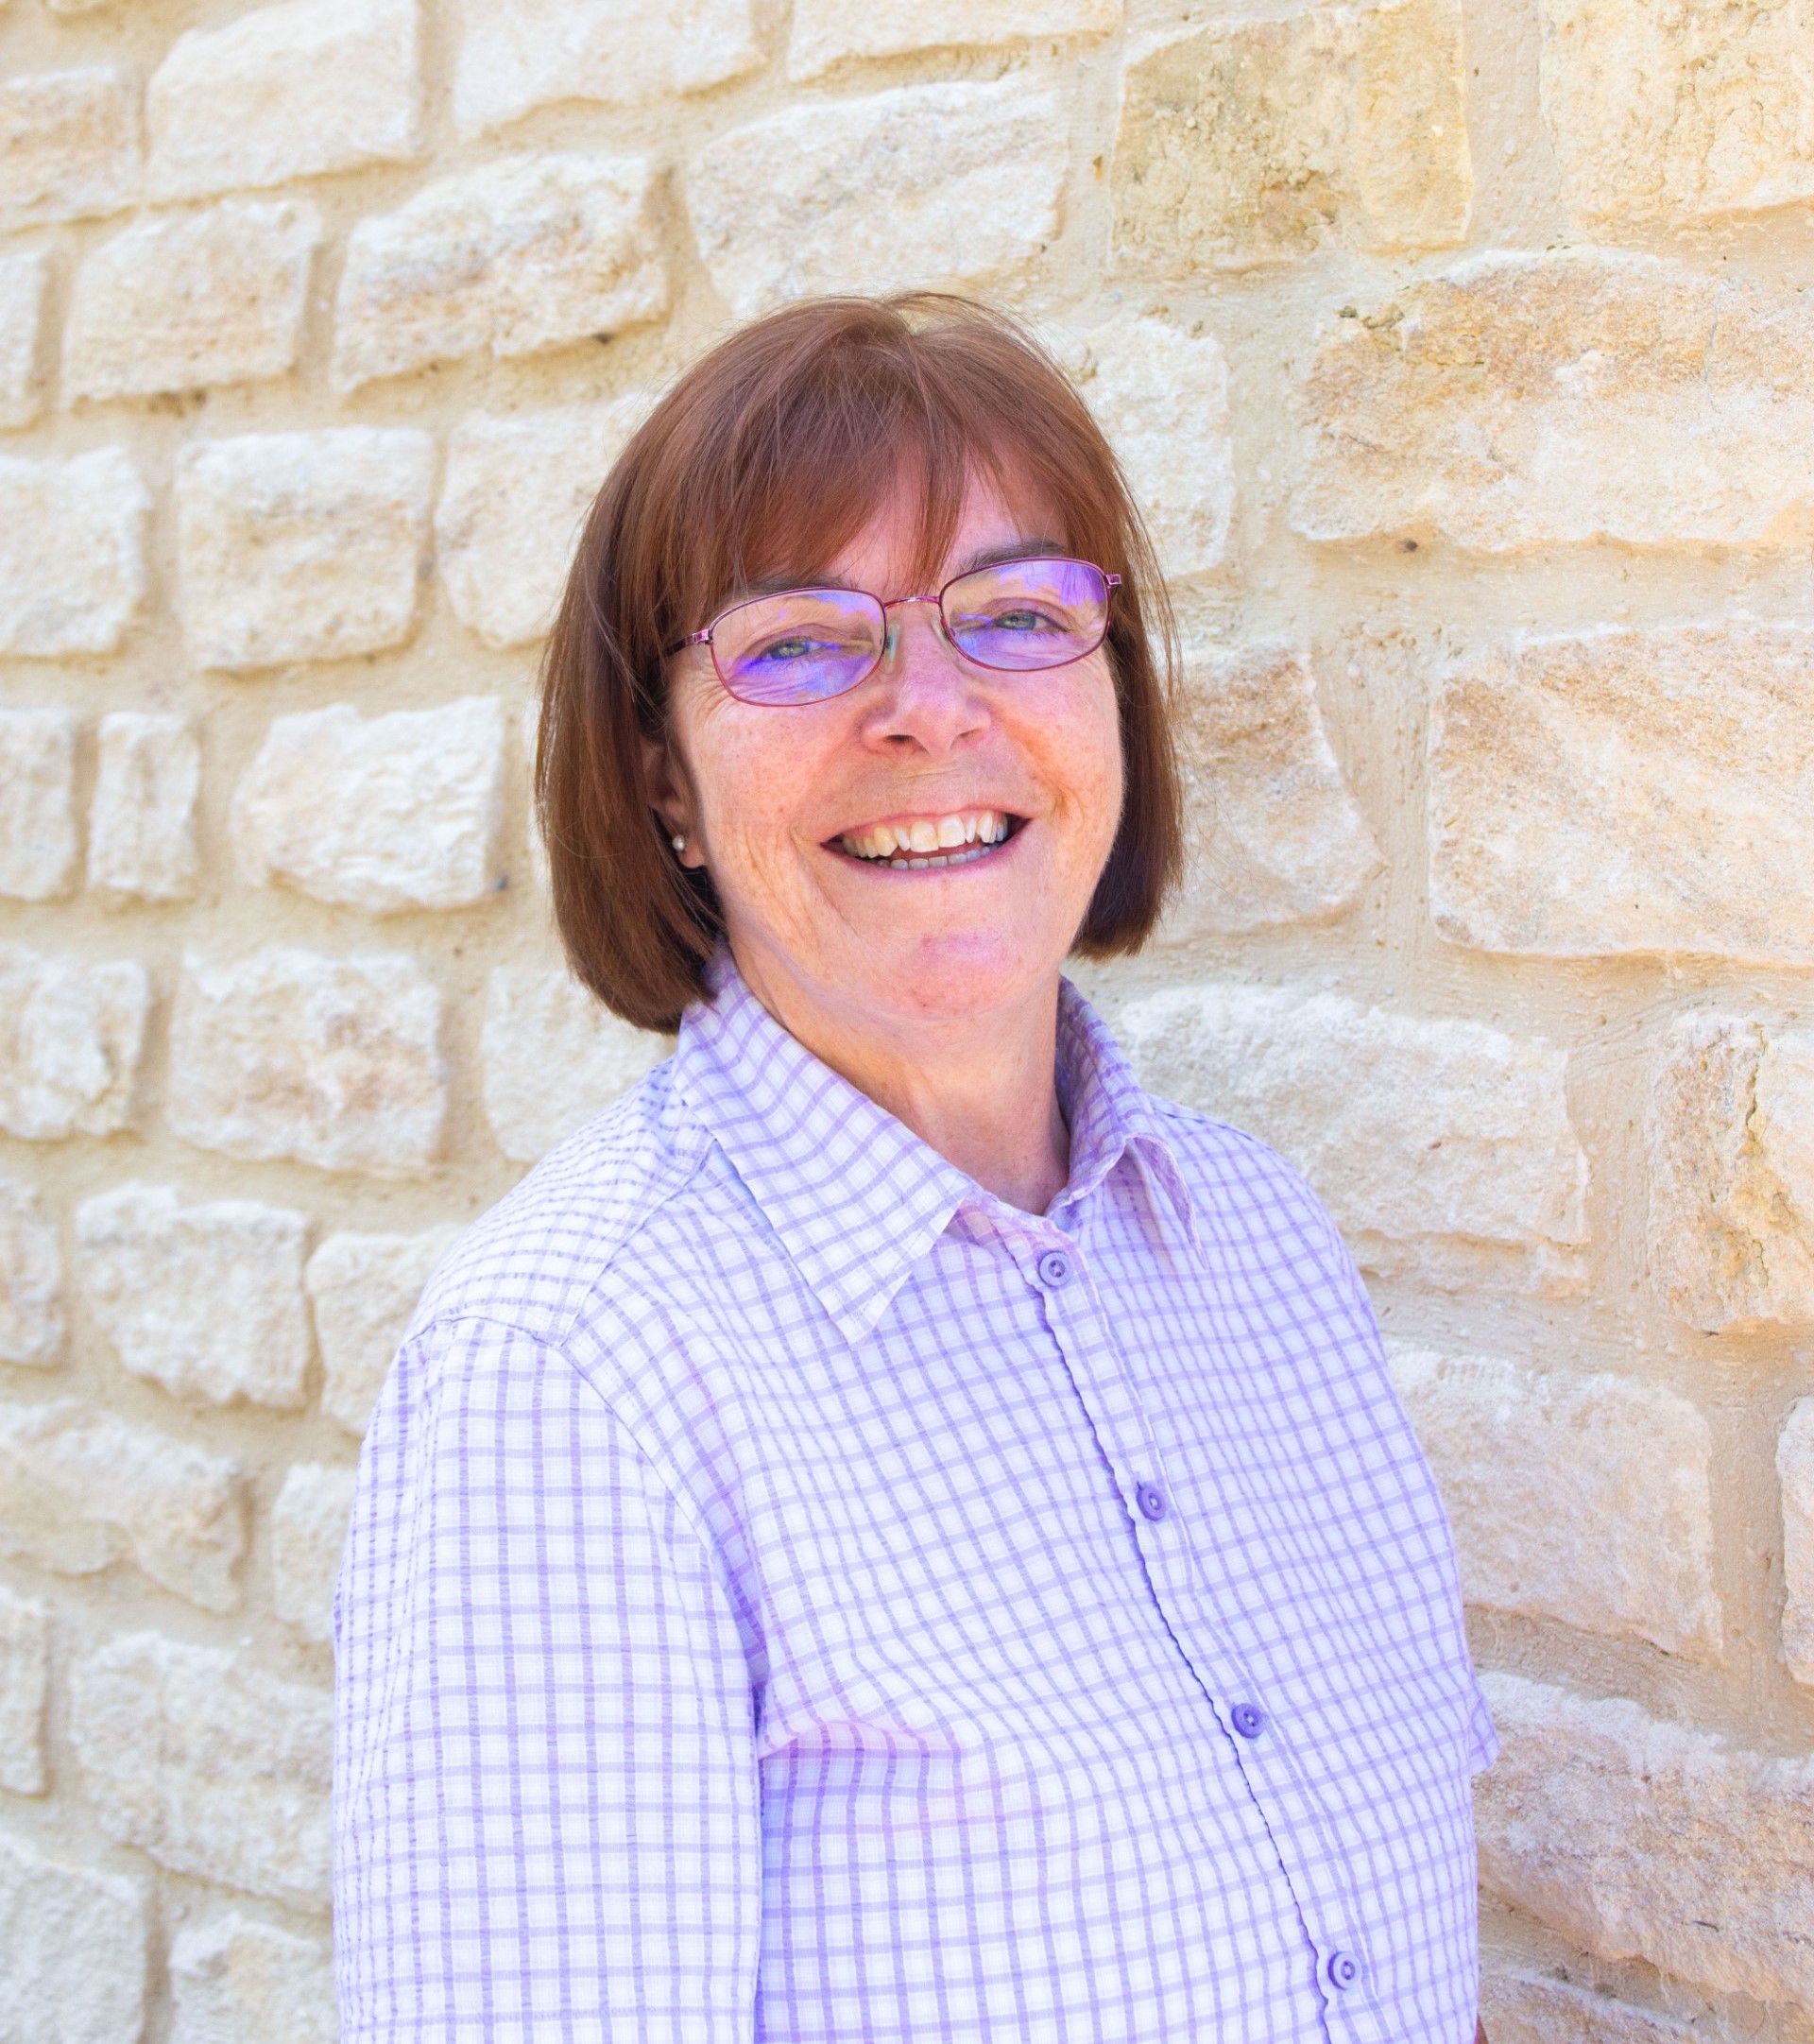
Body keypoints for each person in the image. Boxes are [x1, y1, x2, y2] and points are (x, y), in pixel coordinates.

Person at [334, 294, 1496, 2043]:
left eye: (1021, 617)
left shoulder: (1259, 1242)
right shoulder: (571, 1377)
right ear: (658, 768)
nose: (930, 710)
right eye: (801, 643)